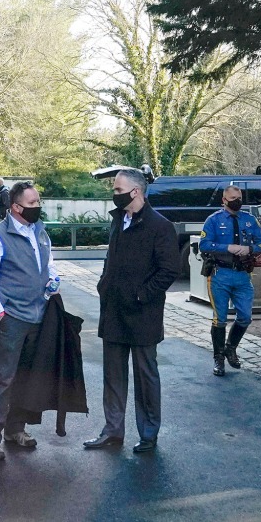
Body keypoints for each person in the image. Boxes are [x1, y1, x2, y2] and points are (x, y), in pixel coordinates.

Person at [83, 168, 179, 453]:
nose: (114, 194)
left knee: (145, 377)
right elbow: (111, 258)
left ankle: (149, 433)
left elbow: (168, 270)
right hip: (113, 311)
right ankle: (112, 431)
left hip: (142, 315)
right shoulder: (118, 221)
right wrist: (104, 284)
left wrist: (141, 296)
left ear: (135, 191)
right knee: (113, 376)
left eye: (117, 189)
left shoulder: (160, 226)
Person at [0, 182, 59, 461]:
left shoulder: (41, 232)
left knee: (26, 377)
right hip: (11, 318)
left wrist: (52, 283)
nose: (38, 207)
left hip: (38, 316)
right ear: (16, 207)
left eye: (39, 201)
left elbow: (48, 266)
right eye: (33, 203)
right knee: (2, 378)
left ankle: (15, 429)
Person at [198, 185, 261, 376]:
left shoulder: (249, 220)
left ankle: (231, 347)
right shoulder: (214, 220)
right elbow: (203, 244)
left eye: (239, 197)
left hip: (242, 275)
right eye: (232, 198)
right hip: (220, 274)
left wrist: (251, 249)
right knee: (219, 319)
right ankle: (218, 358)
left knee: (245, 316)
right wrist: (227, 247)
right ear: (224, 200)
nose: (236, 201)